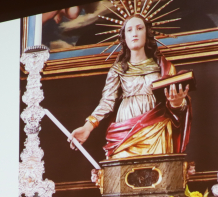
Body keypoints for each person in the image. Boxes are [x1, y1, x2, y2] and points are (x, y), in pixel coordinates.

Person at [69, 14, 192, 163]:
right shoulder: (117, 70)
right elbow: (107, 102)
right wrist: (87, 127)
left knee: (156, 170)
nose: (134, 33)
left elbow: (174, 105)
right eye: (129, 30)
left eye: (139, 28)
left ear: (147, 34)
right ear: (124, 38)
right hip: (125, 125)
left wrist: (177, 103)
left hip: (156, 126)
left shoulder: (163, 67)